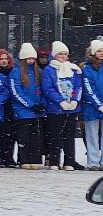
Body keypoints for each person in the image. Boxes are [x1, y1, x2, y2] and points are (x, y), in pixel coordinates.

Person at [44, 40, 83, 170]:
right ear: (54, 55)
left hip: (72, 107)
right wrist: (60, 101)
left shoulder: (73, 69)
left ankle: (69, 161)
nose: (63, 57)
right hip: (55, 108)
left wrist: (74, 100)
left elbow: (78, 86)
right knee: (55, 136)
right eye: (60, 54)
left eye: (65, 54)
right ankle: (54, 161)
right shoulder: (49, 70)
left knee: (69, 136)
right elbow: (48, 88)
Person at [9, 43, 46, 169]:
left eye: (33, 59)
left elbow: (43, 89)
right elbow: (16, 91)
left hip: (36, 110)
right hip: (22, 110)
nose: (31, 61)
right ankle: (23, 159)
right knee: (23, 136)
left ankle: (35, 159)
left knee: (36, 136)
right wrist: (30, 104)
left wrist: (41, 104)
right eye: (28, 58)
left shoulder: (38, 72)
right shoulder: (16, 72)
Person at [82, 39, 103, 169]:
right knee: (92, 135)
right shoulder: (87, 69)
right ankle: (93, 162)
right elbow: (88, 88)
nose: (102, 53)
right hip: (91, 106)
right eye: (99, 51)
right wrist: (98, 104)